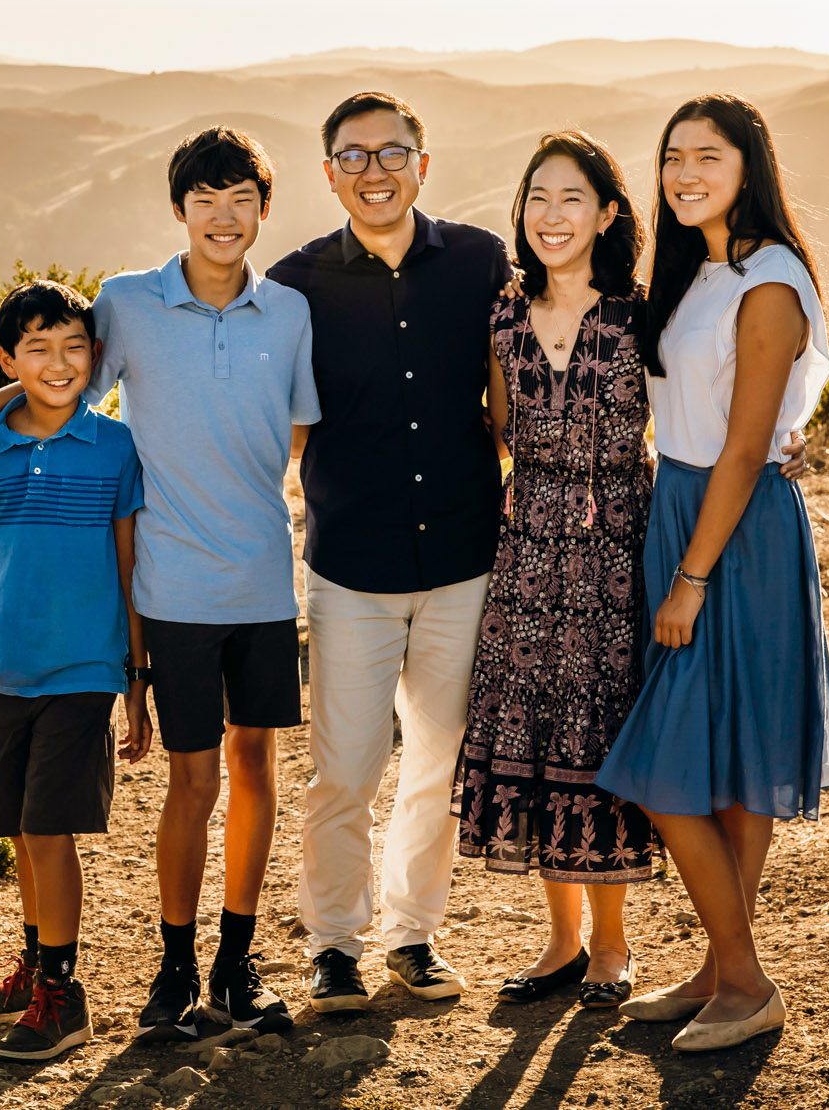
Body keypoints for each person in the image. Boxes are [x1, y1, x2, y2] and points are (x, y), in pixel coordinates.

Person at [0, 126, 319, 1040]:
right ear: (179, 208)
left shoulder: (291, 312)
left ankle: (236, 962)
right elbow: (57, 381)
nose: (224, 217)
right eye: (205, 200)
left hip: (263, 579)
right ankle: (174, 969)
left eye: (242, 199)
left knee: (256, 768)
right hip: (172, 589)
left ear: (264, 207)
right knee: (193, 777)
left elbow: (304, 434)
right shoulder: (127, 304)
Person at [597, 94, 829, 1052]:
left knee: (664, 768)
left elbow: (747, 449)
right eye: (673, 157)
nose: (686, 172)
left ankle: (745, 979)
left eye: (709, 155)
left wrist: (692, 575)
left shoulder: (771, 281)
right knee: (730, 764)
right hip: (682, 512)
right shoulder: (698, 272)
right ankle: (718, 965)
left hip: (731, 533)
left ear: (752, 167)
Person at [264, 92, 511, 1011]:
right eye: (354, 156)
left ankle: (413, 934)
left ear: (424, 162)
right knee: (345, 769)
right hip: (351, 567)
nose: (375, 171)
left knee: (439, 763)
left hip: (462, 558)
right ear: (329, 173)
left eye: (392, 152)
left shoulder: (482, 260)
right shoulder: (293, 285)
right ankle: (334, 943)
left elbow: (567, 326)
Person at [453, 131, 661, 1010]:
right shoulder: (501, 315)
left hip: (619, 542)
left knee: (599, 738)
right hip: (528, 547)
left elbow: (698, 411)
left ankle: (613, 946)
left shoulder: (641, 314)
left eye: (572, 197)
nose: (551, 215)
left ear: (608, 212)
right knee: (537, 740)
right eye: (538, 197)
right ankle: (562, 942)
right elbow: (497, 427)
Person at [0, 279, 148, 1062]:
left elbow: (130, 566)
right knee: (22, 835)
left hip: (82, 671)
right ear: (7, 359)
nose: (58, 363)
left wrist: (136, 676)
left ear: (94, 355)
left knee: (45, 827)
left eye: (73, 347)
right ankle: (34, 966)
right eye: (37, 348)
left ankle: (63, 994)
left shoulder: (115, 446)